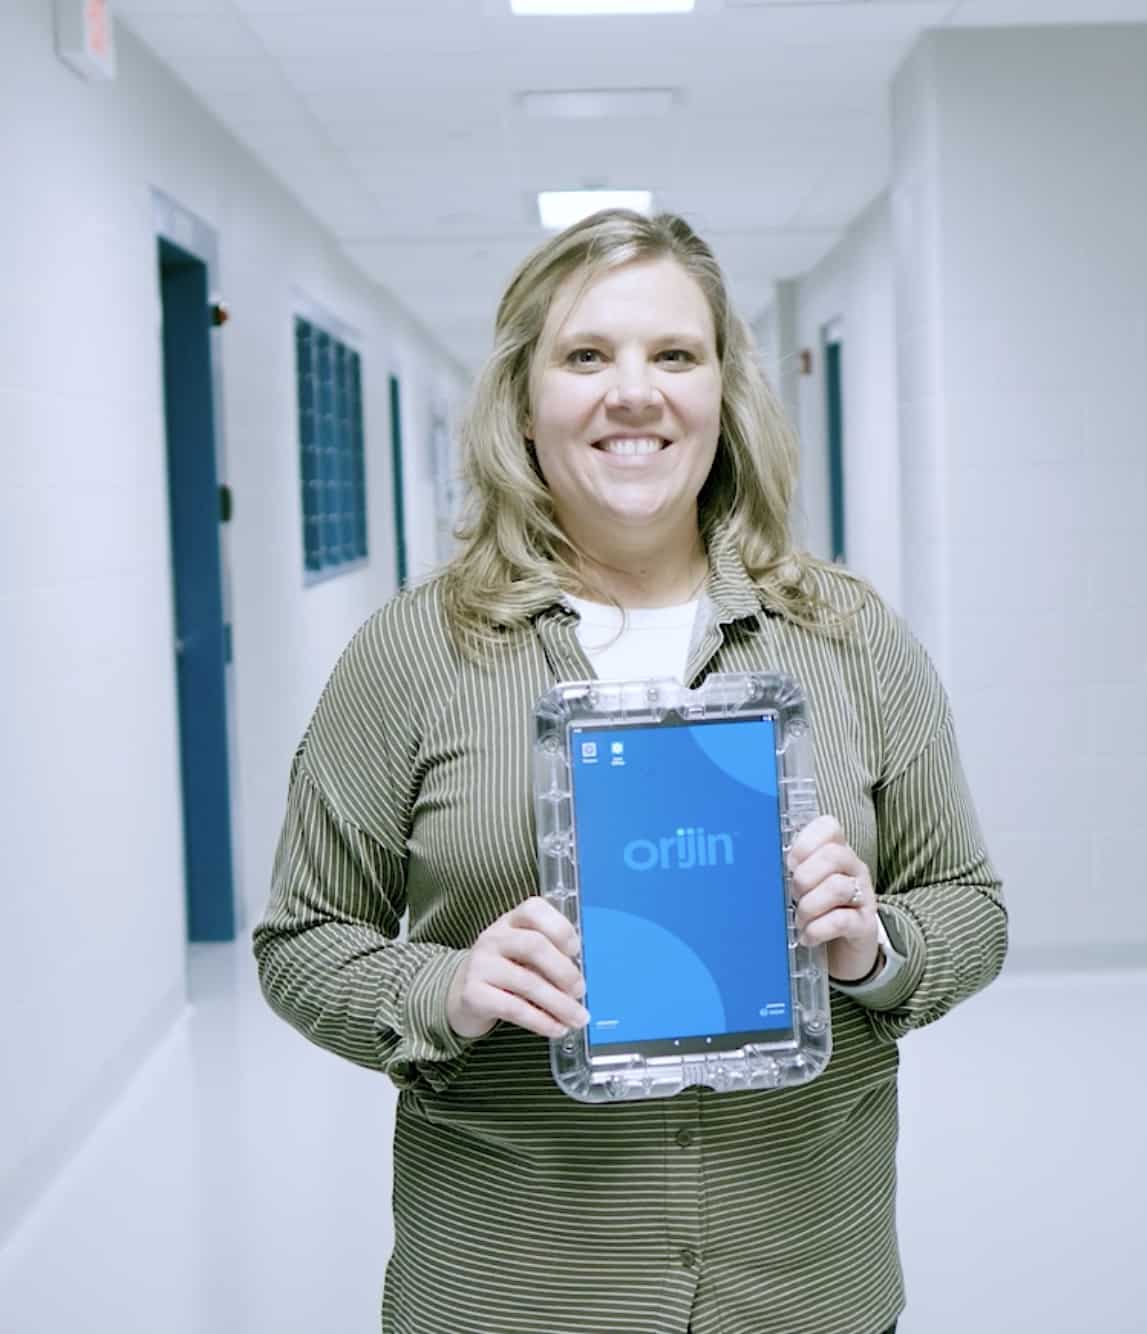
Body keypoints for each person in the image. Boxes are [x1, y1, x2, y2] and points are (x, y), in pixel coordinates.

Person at [254, 209, 1007, 1334]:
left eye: (674, 355)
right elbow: (302, 938)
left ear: (722, 389)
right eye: (586, 355)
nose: (634, 393)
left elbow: (970, 905)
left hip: (803, 1286)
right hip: (515, 1289)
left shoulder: (850, 637)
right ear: (521, 397)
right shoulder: (413, 652)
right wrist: (445, 989)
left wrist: (872, 943)